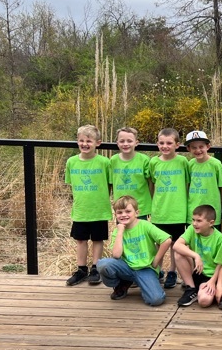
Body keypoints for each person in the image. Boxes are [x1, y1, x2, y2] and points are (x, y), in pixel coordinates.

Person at [96, 195, 171, 306]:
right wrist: (120, 232)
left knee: (156, 300)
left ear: (136, 212)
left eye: (128, 211)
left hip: (145, 268)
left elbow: (166, 240)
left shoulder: (145, 225)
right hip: (126, 267)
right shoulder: (118, 231)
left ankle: (146, 283)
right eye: (119, 212)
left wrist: (156, 261)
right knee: (103, 264)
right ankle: (121, 283)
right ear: (115, 215)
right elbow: (116, 255)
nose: (124, 215)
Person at [65, 124, 112, 286]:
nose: (85, 144)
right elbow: (70, 184)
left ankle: (95, 268)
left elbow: (110, 183)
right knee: (80, 240)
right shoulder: (71, 162)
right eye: (81, 140)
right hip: (80, 209)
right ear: (77, 141)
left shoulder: (104, 162)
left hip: (99, 209)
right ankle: (81, 269)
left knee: (98, 239)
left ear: (97, 143)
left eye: (89, 141)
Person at [149, 128, 189, 290]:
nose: (165, 146)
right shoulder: (154, 162)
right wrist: (156, 202)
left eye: (169, 143)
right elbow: (151, 184)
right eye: (161, 143)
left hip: (178, 211)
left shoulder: (182, 162)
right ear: (157, 143)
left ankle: (172, 271)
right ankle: (158, 270)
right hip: (160, 211)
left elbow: (187, 184)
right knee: (159, 243)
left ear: (177, 145)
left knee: (175, 244)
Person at [173, 205, 222, 307]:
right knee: (179, 252)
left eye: (199, 221)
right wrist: (196, 256)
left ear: (211, 223)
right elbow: (176, 245)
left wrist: (213, 281)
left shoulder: (220, 239)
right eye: (193, 220)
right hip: (196, 270)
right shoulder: (191, 229)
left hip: (210, 276)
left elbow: (221, 264)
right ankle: (191, 288)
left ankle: (203, 291)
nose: (194, 224)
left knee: (204, 301)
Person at [185, 130, 222, 231]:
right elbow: (188, 184)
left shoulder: (216, 164)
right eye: (194, 147)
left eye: (201, 147)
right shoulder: (190, 164)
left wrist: (219, 202)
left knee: (212, 239)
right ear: (188, 148)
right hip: (193, 208)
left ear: (208, 146)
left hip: (211, 209)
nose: (198, 150)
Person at [111, 127, 152, 220]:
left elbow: (150, 182)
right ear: (117, 143)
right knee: (123, 233)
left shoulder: (144, 160)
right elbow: (111, 183)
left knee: (140, 233)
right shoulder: (113, 160)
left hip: (140, 207)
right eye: (122, 141)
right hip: (121, 208)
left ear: (136, 143)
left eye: (129, 141)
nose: (125, 144)